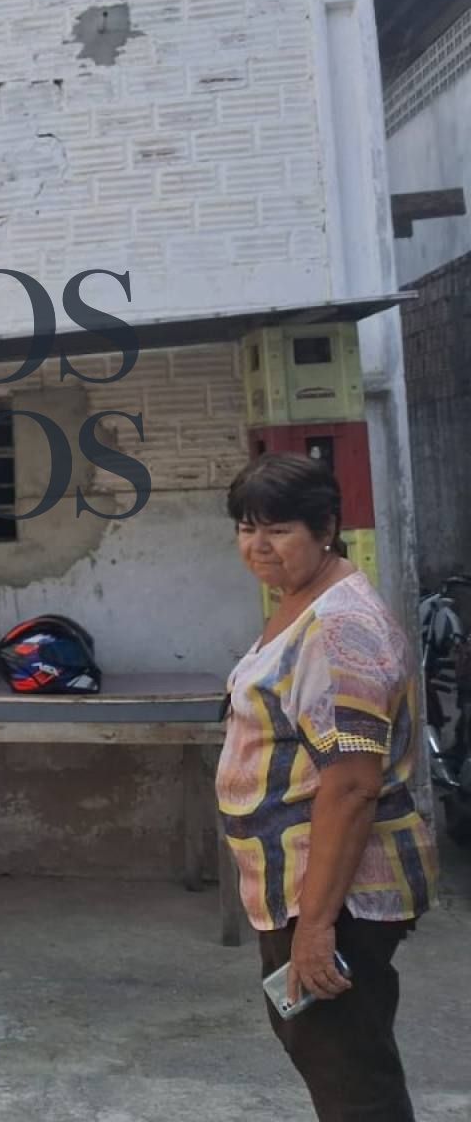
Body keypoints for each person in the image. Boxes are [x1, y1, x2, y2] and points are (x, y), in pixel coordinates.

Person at [217, 452, 438, 1121]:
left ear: (326, 529)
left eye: (279, 529)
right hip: (301, 885)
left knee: (351, 1078)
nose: (259, 546)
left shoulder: (341, 627)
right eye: (247, 528)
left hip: (339, 893)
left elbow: (351, 785)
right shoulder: (301, 602)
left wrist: (314, 927)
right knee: (334, 1057)